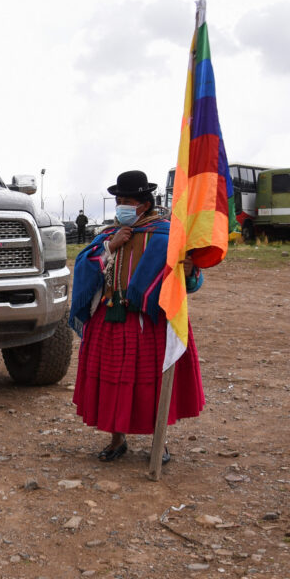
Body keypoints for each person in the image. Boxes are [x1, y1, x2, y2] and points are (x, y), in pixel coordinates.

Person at [69, 170, 205, 463]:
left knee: (153, 384)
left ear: (144, 203)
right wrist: (110, 247)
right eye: (119, 200)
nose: (121, 206)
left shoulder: (167, 236)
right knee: (112, 382)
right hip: (110, 319)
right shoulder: (107, 234)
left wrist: (190, 270)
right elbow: (84, 267)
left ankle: (160, 443)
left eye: (127, 200)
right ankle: (117, 439)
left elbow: (187, 284)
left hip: (151, 323)